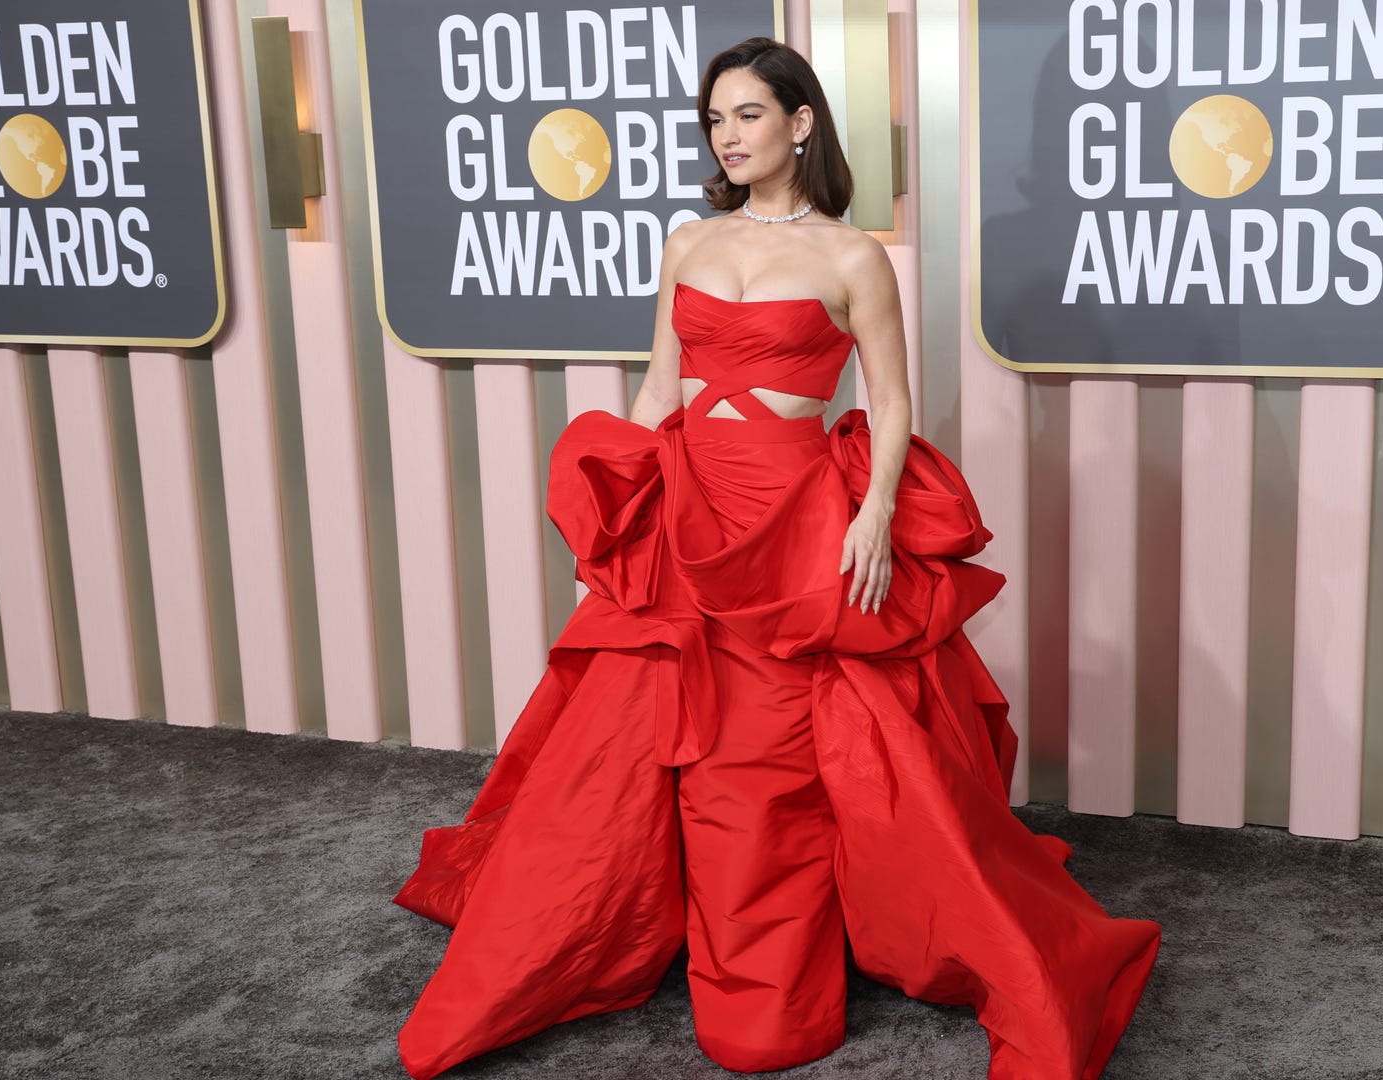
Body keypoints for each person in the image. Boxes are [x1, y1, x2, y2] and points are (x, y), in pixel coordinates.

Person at [394, 37, 1161, 1080]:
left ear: (800, 123)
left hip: (799, 516)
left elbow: (888, 401)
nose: (727, 135)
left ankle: (791, 962)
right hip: (690, 508)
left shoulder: (853, 258)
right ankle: (649, 923)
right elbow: (659, 390)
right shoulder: (688, 242)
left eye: (748, 114)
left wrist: (876, 513)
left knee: (788, 752)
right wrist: (627, 506)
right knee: (646, 742)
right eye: (715, 119)